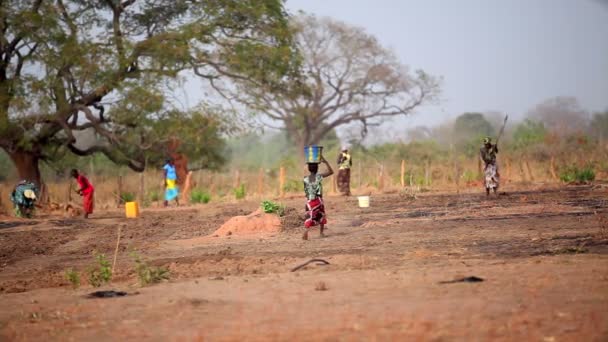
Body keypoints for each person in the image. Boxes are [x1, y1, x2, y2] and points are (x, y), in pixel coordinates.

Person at [302, 155, 334, 240]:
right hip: (318, 200)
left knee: (309, 216)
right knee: (321, 214)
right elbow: (331, 172)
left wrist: (307, 164)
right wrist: (325, 161)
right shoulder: (318, 177)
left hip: (309, 201)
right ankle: (321, 232)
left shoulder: (305, 179)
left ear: (309, 169)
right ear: (317, 169)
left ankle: (306, 230)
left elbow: (306, 190)